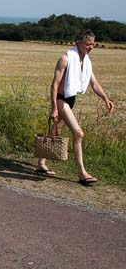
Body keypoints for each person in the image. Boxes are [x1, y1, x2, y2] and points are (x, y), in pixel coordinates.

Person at [37, 29, 115, 185]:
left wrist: (106, 98)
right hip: (60, 99)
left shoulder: (85, 61)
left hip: (70, 99)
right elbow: (54, 85)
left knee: (56, 131)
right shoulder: (65, 59)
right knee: (78, 133)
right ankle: (82, 173)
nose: (91, 47)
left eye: (93, 44)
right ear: (78, 42)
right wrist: (54, 108)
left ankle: (41, 163)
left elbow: (94, 83)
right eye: (88, 44)